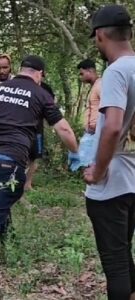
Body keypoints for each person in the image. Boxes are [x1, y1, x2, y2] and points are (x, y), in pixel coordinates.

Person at [0, 55, 79, 273]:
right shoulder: (41, 94)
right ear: (39, 74)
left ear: (20, 70)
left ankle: (10, 242)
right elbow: (63, 129)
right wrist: (75, 153)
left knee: (1, 197)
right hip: (10, 158)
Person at [83, 5, 135, 299]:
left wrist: (97, 171)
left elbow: (113, 126)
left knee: (115, 264)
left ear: (100, 35)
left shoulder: (116, 72)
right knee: (124, 254)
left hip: (112, 184)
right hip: (133, 180)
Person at [24, 75, 56, 191]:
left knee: (35, 156)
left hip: (38, 128)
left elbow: (51, 106)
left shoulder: (46, 88)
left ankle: (28, 184)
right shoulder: (22, 85)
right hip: (22, 126)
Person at [70, 59, 102, 171]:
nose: (81, 77)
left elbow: (109, 108)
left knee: (91, 167)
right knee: (85, 164)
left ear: (90, 71)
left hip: (97, 133)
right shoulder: (94, 87)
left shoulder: (100, 85)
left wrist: (97, 125)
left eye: (82, 73)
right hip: (91, 134)